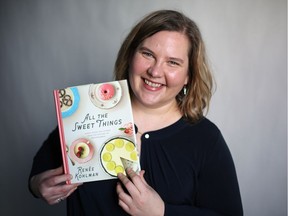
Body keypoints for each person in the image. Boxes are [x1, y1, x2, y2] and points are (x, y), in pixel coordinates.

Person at [29, 9, 243, 216]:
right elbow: (39, 173)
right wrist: (38, 186)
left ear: (189, 75)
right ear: (130, 55)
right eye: (147, 54)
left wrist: (162, 213)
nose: (155, 71)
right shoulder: (88, 113)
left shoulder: (205, 138)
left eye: (173, 62)